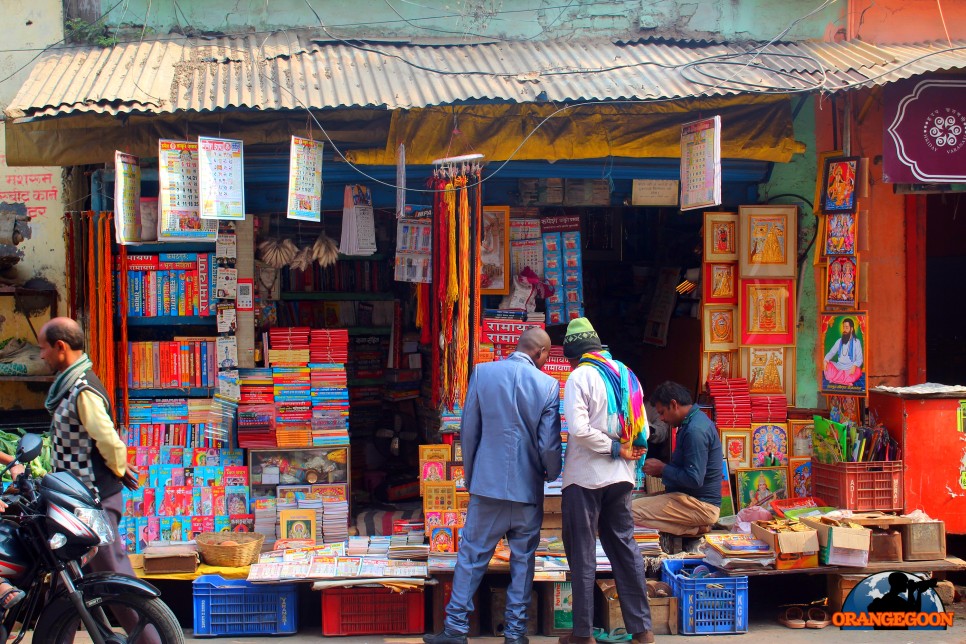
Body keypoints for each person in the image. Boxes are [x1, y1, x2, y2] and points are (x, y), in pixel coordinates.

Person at [425, 327, 562, 644]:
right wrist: (550, 474)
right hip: (527, 491)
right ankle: (515, 633)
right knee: (523, 560)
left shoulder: (482, 373)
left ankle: (456, 629)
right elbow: (549, 447)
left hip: (486, 487)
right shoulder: (548, 385)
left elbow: (468, 432)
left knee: (471, 557)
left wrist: (473, 478)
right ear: (541, 354)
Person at [39, 317, 161, 644]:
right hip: (74, 502)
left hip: (93, 501)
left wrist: (120, 469)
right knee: (66, 581)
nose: (42, 356)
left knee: (114, 574)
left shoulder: (83, 390)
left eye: (44, 348)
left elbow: (108, 440)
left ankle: (153, 640)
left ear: (61, 348)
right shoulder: (69, 386)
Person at [557, 318, 653, 644]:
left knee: (582, 554)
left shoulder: (579, 376)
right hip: (622, 478)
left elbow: (579, 429)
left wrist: (612, 448)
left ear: (574, 355)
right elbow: (643, 427)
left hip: (585, 477)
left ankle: (582, 633)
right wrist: (630, 449)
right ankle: (643, 630)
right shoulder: (627, 374)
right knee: (625, 550)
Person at [633, 381, 722, 542]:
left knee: (628, 512)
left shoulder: (695, 431)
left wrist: (662, 468)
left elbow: (694, 479)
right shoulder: (691, 424)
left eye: (662, 413)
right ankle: (694, 527)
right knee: (632, 505)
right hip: (687, 500)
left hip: (700, 506)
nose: (661, 418)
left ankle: (695, 525)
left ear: (674, 405)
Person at [823, 317, 864, 386]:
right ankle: (843, 379)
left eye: (847, 328)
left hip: (850, 368)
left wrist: (854, 366)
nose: (844, 330)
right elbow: (831, 352)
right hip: (839, 367)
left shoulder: (856, 342)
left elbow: (860, 359)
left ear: (851, 329)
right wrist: (825, 360)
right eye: (843, 327)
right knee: (827, 366)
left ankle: (837, 379)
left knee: (858, 371)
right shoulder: (839, 341)